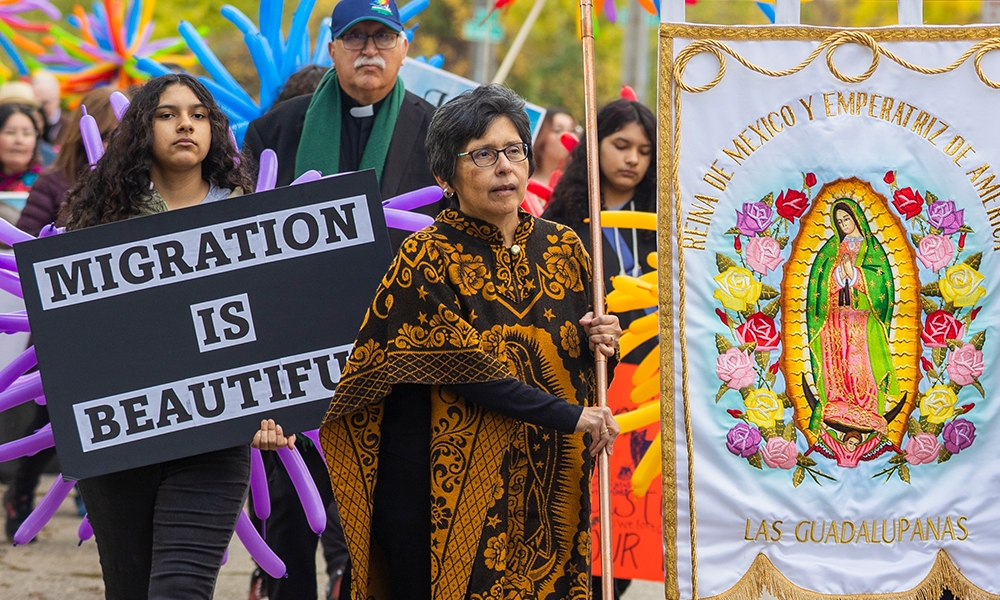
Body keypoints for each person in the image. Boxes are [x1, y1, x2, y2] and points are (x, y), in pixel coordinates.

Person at [308, 83, 621, 599]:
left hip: (546, 491)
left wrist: (604, 342)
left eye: (514, 150)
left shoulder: (565, 247)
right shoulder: (424, 256)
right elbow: (469, 370)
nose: (505, 167)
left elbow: (582, 357)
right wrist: (573, 416)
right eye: (482, 155)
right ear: (444, 177)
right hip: (441, 500)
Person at [243, 0, 440, 596]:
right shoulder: (278, 129)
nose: (369, 50)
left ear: (404, 48)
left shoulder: (438, 131)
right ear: (332, 49)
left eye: (383, 37)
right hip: (294, 348)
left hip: (396, 350)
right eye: (356, 38)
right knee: (289, 505)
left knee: (385, 510)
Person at [59, 73, 255, 600]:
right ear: (142, 130)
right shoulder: (100, 220)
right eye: (167, 114)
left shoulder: (252, 220)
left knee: (181, 588)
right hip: (121, 441)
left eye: (198, 114)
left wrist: (276, 406)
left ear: (213, 129)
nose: (185, 124)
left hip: (215, 440)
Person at [543, 98, 656, 600]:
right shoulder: (565, 221)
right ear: (595, 146)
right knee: (578, 532)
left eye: (644, 151)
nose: (632, 159)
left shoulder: (663, 218)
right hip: (589, 391)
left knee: (625, 541)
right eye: (621, 145)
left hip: (646, 394)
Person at [2, 87, 125, 542]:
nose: (112, 145)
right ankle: (22, 490)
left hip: (119, 322)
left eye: (122, 135)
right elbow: (24, 245)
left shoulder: (138, 181)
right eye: (106, 135)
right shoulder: (55, 181)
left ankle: (99, 504)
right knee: (53, 419)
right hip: (62, 323)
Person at [31, 71, 67, 144]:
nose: (41, 108)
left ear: (57, 101)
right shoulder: (29, 123)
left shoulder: (68, 125)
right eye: (37, 103)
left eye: (45, 103)